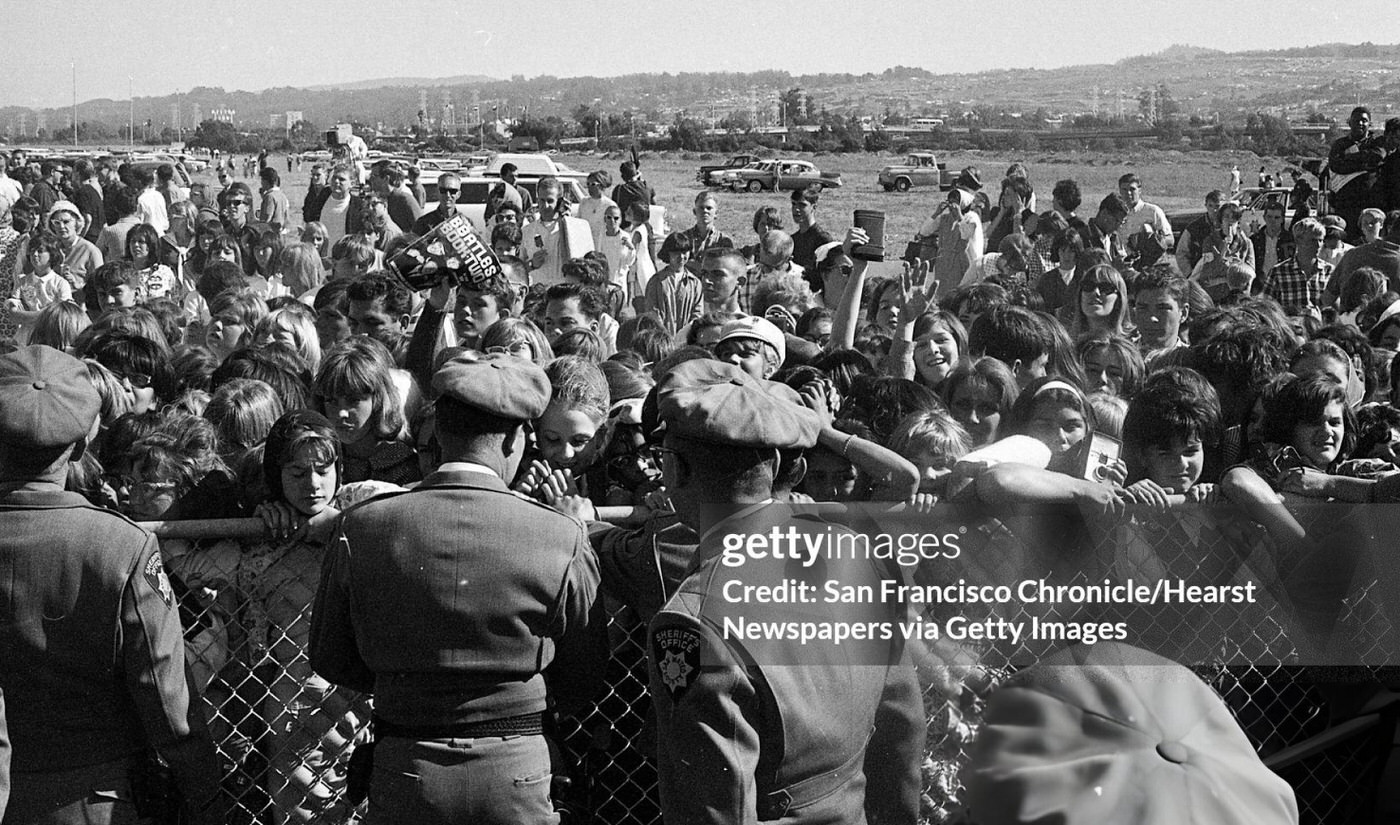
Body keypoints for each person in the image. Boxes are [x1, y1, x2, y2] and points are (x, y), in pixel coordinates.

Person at [310, 352, 601, 824]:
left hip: (406, 760)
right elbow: (584, 670)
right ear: (516, 440)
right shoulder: (560, 534)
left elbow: (331, 655)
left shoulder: (362, 528)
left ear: (440, 433)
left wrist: (411, 685)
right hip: (518, 769)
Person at [647, 358, 922, 824]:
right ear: (778, 465)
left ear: (673, 469)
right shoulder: (855, 552)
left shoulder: (693, 620)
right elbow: (902, 728)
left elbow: (717, 809)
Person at [0, 345, 225, 823]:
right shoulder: (119, 546)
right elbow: (166, 697)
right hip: (96, 800)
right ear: (83, 446)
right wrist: (203, 791)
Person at [1328, 106, 1386, 239]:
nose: (1360, 123)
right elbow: (1337, 166)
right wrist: (1365, 163)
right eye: (1356, 120)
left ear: (1370, 123)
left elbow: (1378, 156)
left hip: (1372, 207)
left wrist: (1349, 158)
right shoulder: (1340, 144)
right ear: (1349, 123)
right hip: (1346, 207)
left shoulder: (1378, 141)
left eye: (1364, 120)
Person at [1115, 173, 1173, 265]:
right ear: (1120, 191)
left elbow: (1170, 239)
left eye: (1132, 189)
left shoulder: (1152, 211)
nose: (1128, 193)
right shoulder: (1115, 214)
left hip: (1152, 266)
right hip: (1125, 265)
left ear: (1140, 191)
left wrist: (1153, 243)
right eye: (1124, 189)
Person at [789, 184, 834, 275]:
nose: (796, 209)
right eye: (794, 204)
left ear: (814, 207)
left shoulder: (822, 239)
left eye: (802, 205)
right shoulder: (792, 239)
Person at [412, 171, 461, 235]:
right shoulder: (423, 223)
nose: (447, 195)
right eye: (443, 190)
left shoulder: (466, 223)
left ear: (458, 194)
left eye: (452, 191)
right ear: (437, 192)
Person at [258, 166, 291, 234]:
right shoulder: (282, 195)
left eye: (262, 180)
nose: (261, 183)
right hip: (281, 232)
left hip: (271, 233)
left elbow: (267, 218)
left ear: (266, 181)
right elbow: (287, 217)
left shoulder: (270, 196)